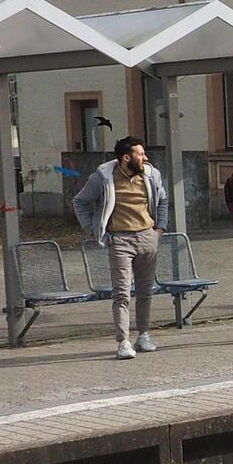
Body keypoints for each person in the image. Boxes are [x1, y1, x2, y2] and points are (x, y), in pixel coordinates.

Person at [72, 135, 169, 360]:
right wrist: (93, 230)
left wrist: (159, 230)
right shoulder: (102, 178)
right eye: (140, 154)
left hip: (147, 237)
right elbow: (80, 201)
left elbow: (163, 199)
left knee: (145, 291)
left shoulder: (151, 175)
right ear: (126, 157)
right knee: (122, 293)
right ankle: (123, 342)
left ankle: (143, 335)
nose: (145, 158)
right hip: (119, 241)